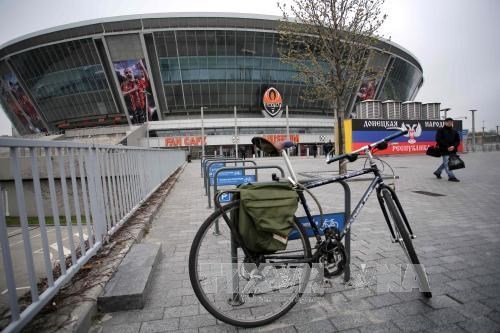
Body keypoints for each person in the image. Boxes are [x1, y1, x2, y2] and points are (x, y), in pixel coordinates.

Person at [433, 117, 461, 182]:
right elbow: (438, 139)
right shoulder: (440, 130)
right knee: (447, 163)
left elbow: (458, 140)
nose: (449, 123)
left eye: (451, 122)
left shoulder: (454, 131)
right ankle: (451, 176)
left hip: (453, 150)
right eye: (448, 122)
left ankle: (438, 172)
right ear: (445, 122)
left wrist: (454, 146)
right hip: (444, 150)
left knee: (446, 163)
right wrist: (448, 146)